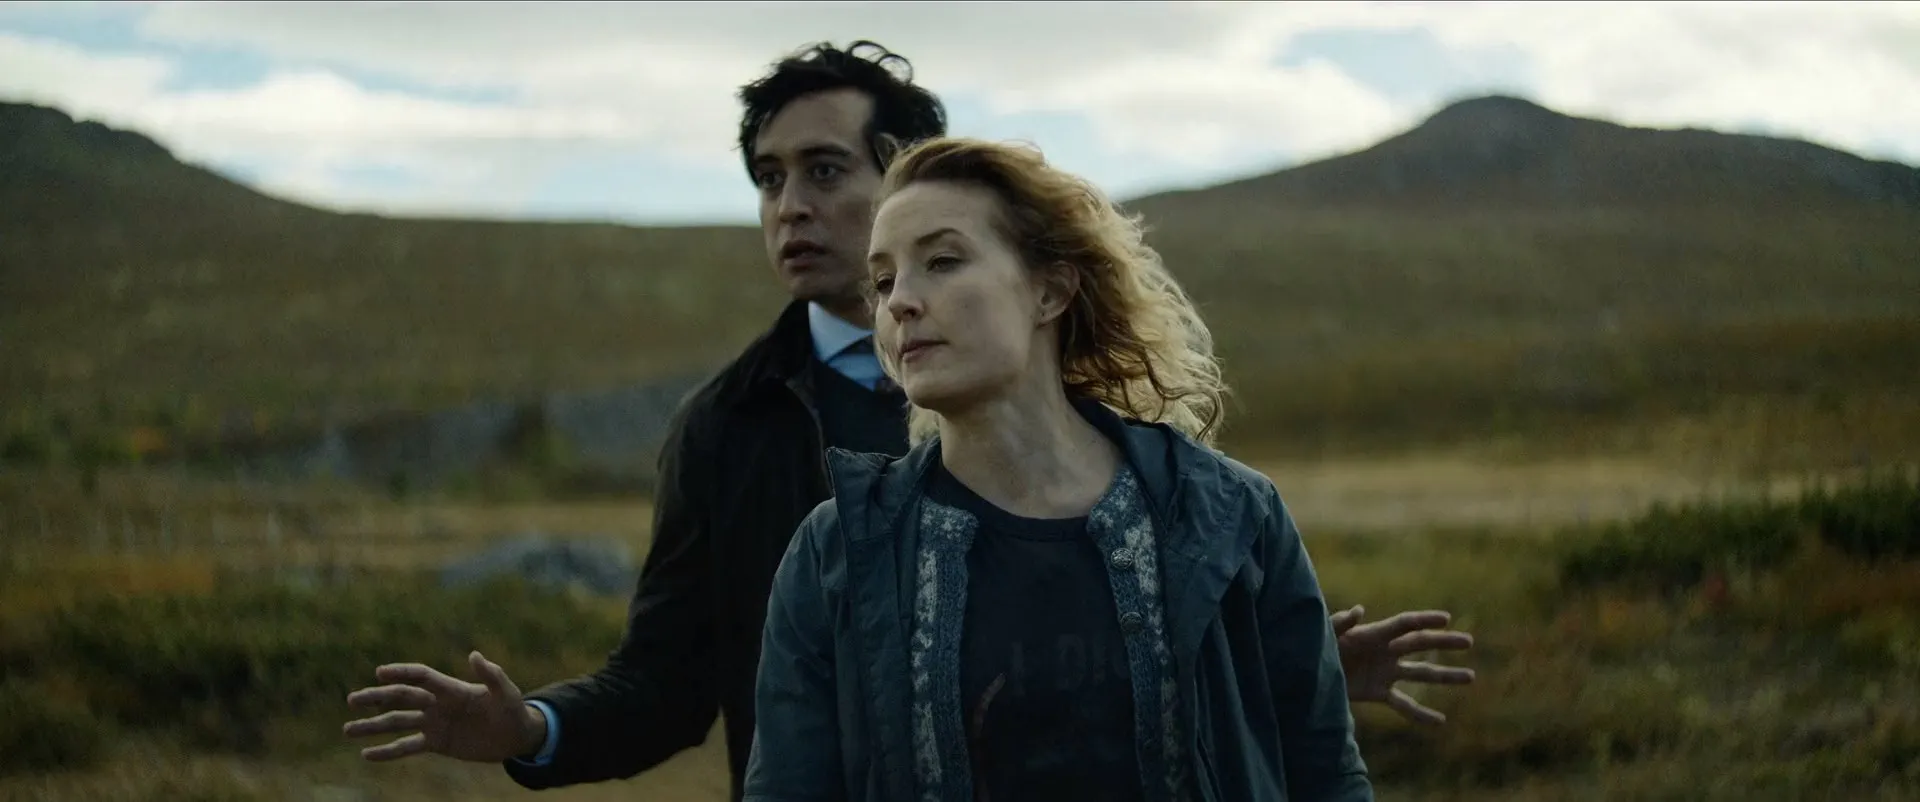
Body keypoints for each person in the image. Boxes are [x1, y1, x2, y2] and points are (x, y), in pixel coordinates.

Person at [341, 40, 1471, 802]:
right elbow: (673, 680)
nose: (791, 206)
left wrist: (1257, 670)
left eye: (824, 170)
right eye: (768, 179)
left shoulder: (1208, 505)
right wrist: (535, 731)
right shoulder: (740, 441)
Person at [743, 135, 1372, 802]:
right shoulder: (839, 551)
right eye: (883, 280)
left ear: (1050, 291)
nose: (899, 302)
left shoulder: (1229, 515)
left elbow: (1326, 777)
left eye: (943, 261)